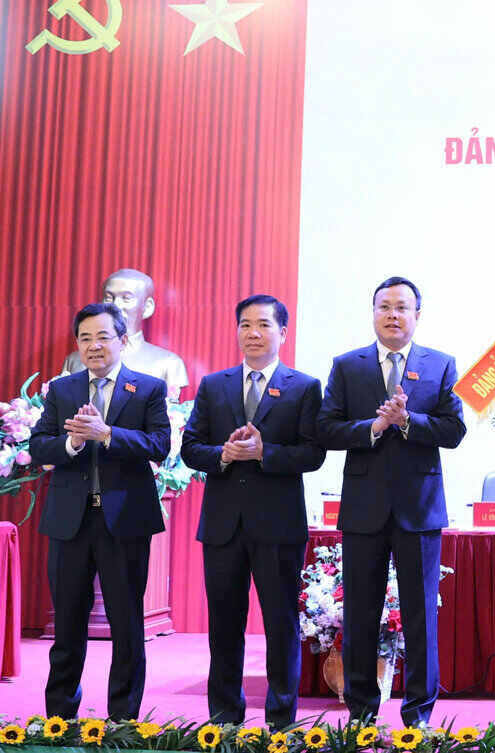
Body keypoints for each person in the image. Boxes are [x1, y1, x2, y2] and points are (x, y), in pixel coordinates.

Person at [317, 276, 466, 725]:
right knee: (360, 612)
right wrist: (373, 428)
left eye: (402, 308)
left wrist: (407, 421)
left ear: (417, 315)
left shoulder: (440, 365)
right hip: (363, 508)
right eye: (385, 307)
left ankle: (418, 711)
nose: (393, 315)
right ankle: (362, 710)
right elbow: (325, 429)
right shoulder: (348, 366)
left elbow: (453, 431)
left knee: (420, 615)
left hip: (419, 508)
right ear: (374, 313)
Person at [180, 294, 325, 729]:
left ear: (282, 332)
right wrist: (222, 454)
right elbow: (190, 448)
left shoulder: (304, 386)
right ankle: (224, 719)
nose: (253, 333)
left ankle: (281, 720)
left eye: (263, 324)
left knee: (281, 625)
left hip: (278, 525)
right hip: (223, 525)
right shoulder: (213, 384)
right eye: (245, 324)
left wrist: (266, 453)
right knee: (224, 626)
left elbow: (313, 453)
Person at [29, 303, 171, 720]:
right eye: (85, 338)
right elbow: (39, 445)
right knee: (68, 626)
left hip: (124, 522)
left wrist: (107, 434)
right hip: (70, 522)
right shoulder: (63, 390)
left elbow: (159, 445)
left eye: (103, 336)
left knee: (127, 624)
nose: (94, 346)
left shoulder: (146, 389)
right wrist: (72, 444)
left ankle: (122, 719)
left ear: (123, 341)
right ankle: (59, 719)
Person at [60, 268, 189, 397]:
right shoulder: (74, 360)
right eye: (109, 298)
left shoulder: (168, 364)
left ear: (147, 307)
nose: (115, 306)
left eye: (126, 298)